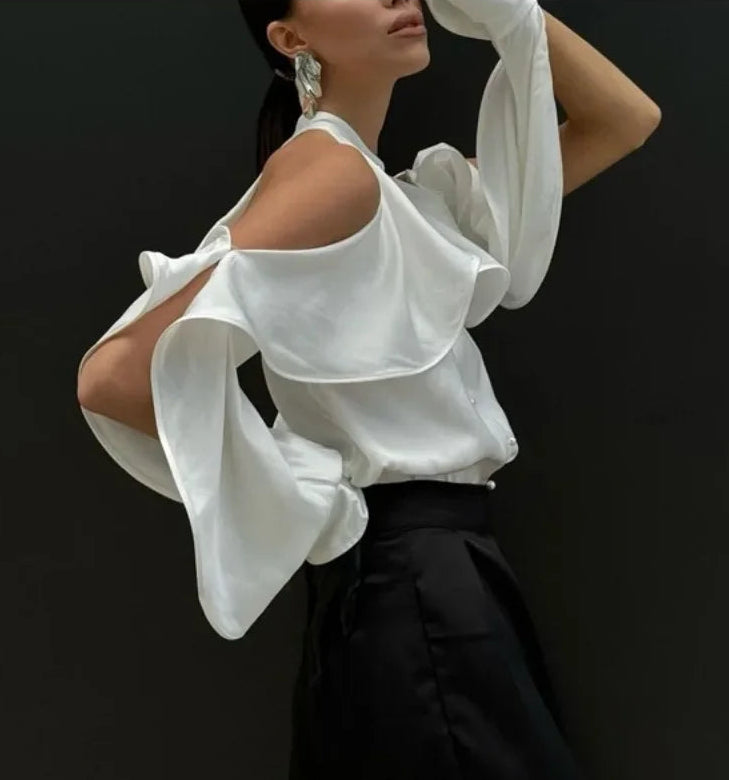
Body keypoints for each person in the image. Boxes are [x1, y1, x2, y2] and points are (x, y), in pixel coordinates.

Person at [77, 0, 660, 777]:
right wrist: (298, 492)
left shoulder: (401, 197)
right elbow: (115, 375)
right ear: (290, 39)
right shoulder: (332, 171)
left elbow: (622, 118)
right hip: (417, 586)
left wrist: (510, 12)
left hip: (426, 584)